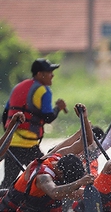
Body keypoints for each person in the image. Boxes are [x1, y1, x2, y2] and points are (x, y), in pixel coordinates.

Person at [0, 103, 96, 212]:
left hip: (39, 210)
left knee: (83, 192)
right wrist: (79, 183)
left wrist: (84, 118)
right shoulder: (43, 177)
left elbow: (87, 141)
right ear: (59, 172)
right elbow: (54, 192)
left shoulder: (57, 157)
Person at [1, 58, 67, 188]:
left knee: (7, 182)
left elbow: (5, 115)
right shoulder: (44, 90)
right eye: (49, 72)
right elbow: (48, 117)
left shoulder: (17, 87)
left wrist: (9, 135)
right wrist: (58, 108)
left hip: (11, 145)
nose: (52, 75)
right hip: (29, 145)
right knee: (46, 174)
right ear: (39, 74)